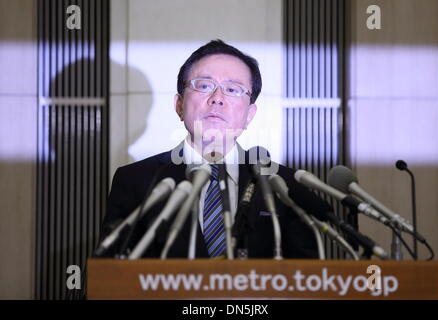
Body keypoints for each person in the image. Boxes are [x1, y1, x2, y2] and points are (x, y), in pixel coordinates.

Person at [98, 39, 331, 259]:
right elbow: (110, 277)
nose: (217, 98)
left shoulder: (284, 185)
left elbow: (306, 281)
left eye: (233, 89)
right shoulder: (135, 180)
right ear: (179, 105)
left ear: (249, 115)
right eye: (204, 85)